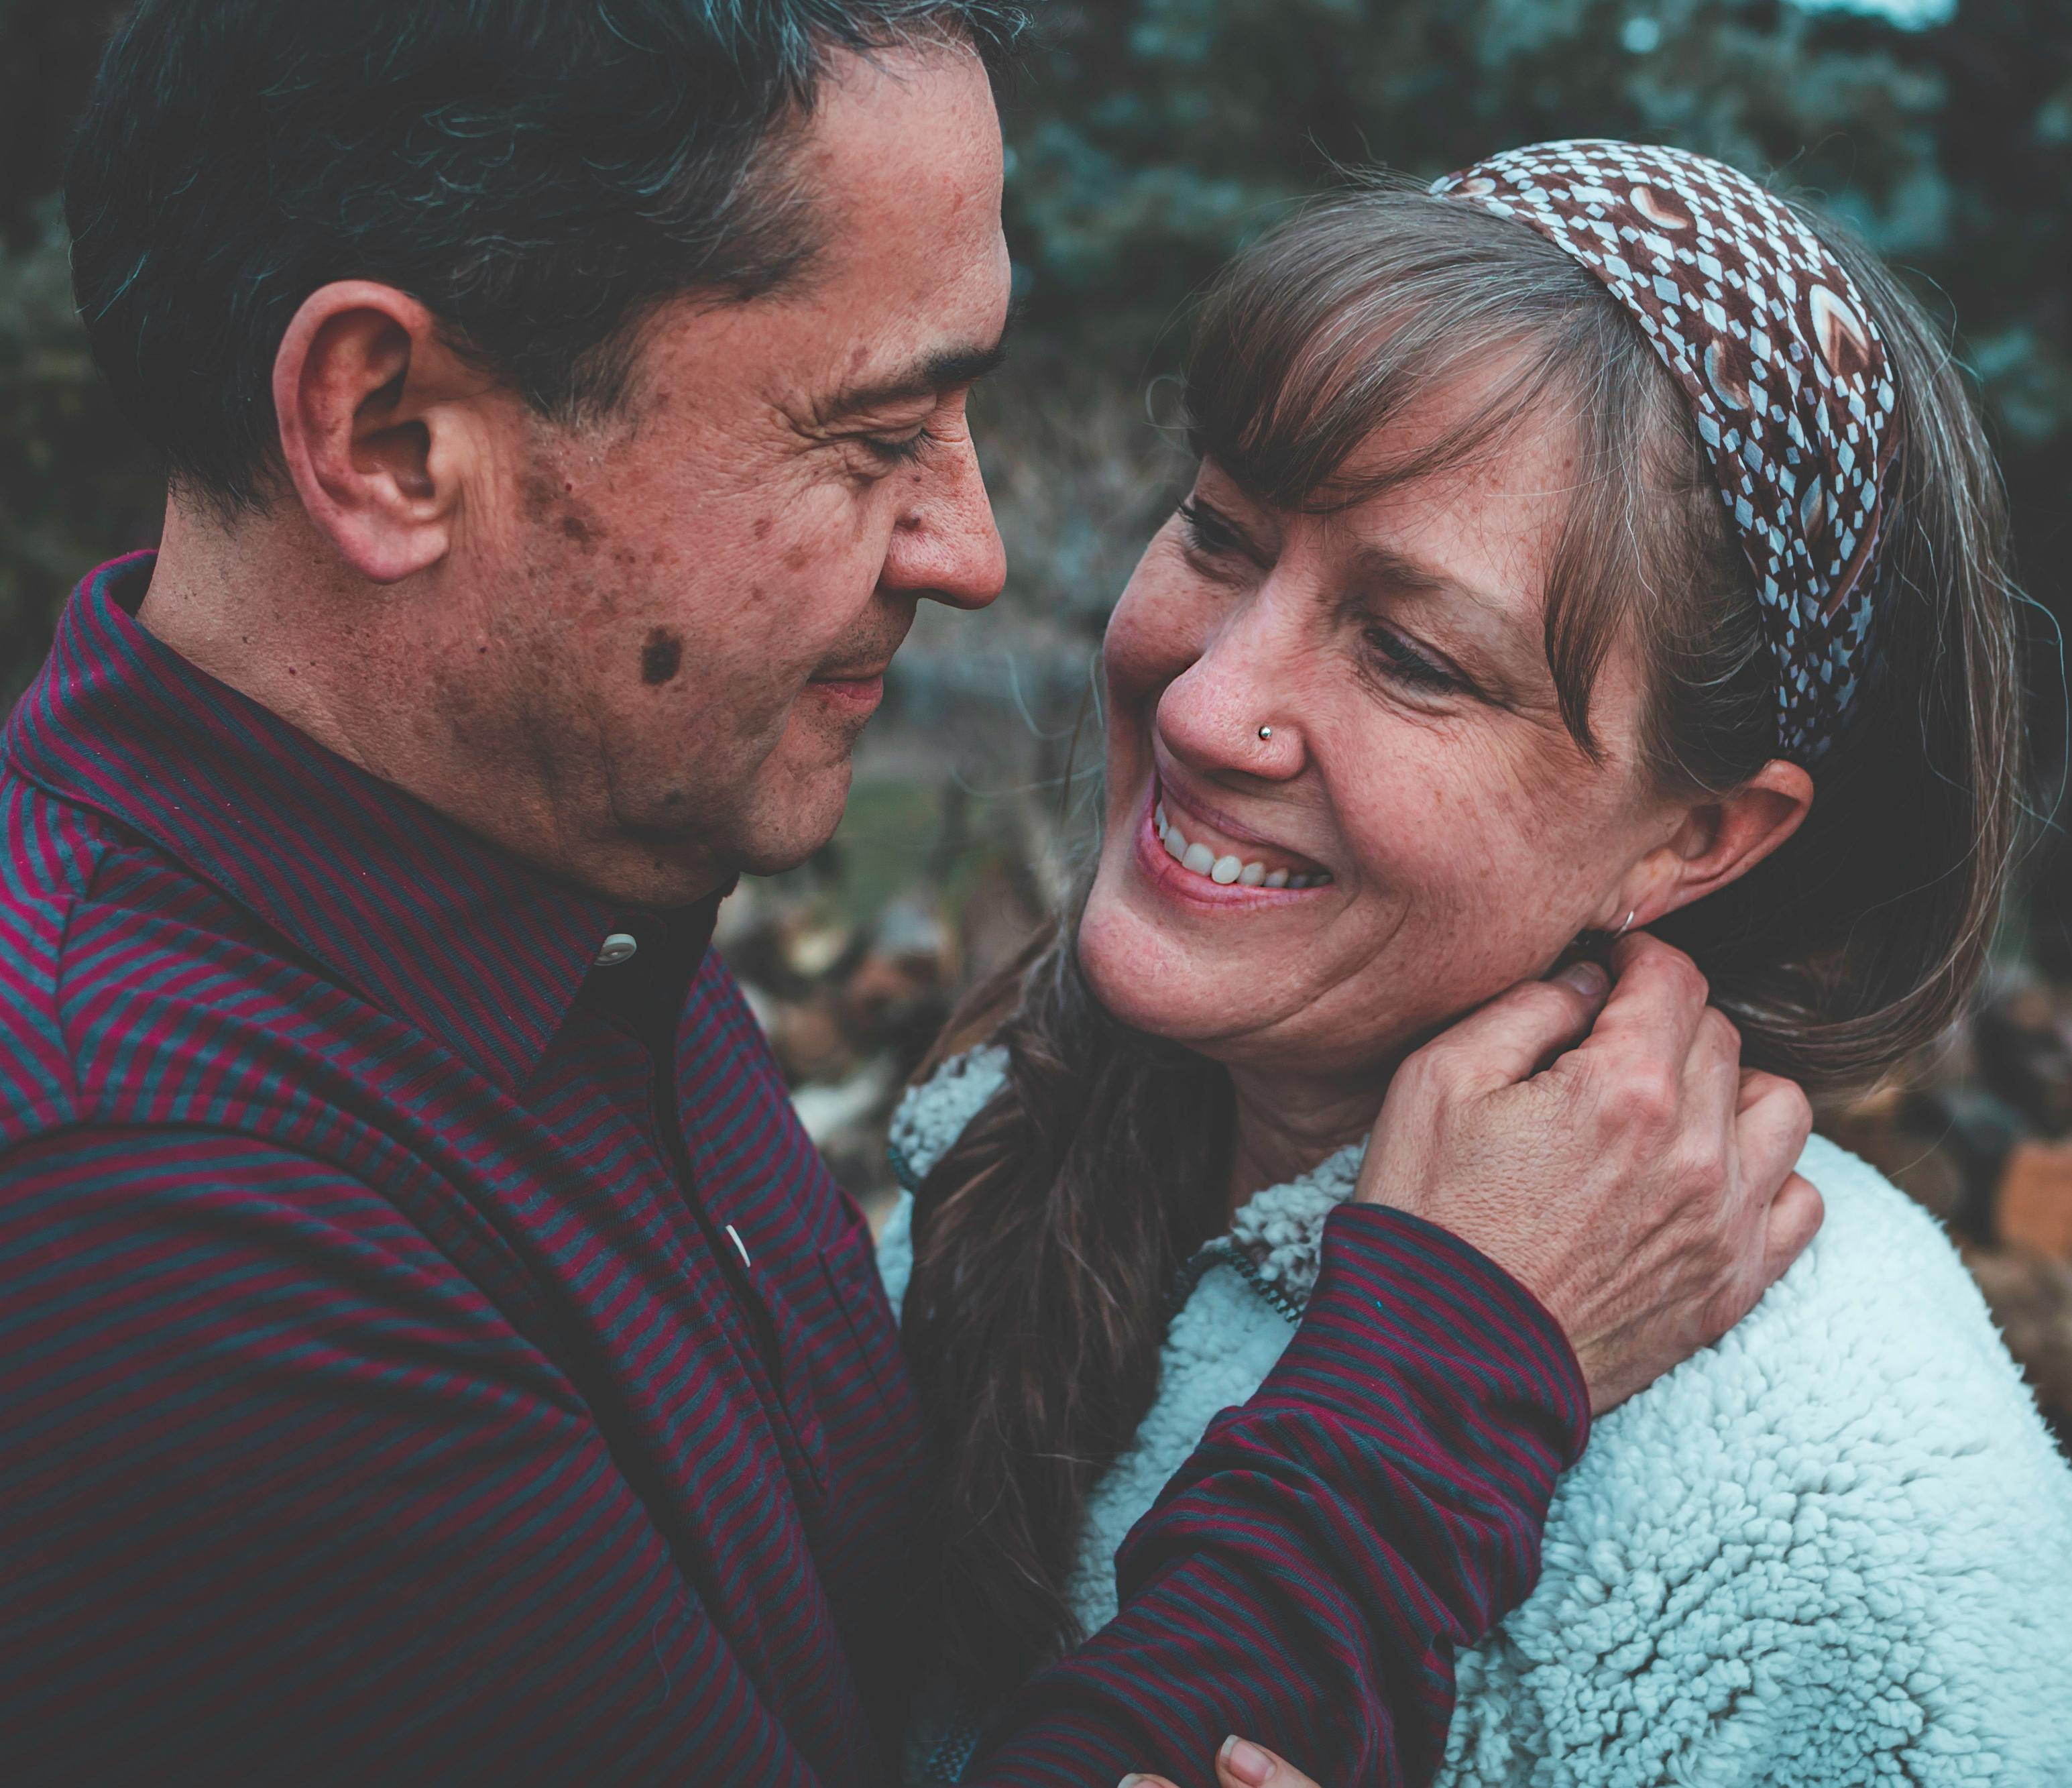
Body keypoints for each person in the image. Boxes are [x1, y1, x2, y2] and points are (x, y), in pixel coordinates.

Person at [0, 5, 1815, 1779]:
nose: (974, 545)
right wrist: (1441, 1382)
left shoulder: (565, 865)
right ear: (392, 434)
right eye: (876, 436)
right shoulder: (159, 1233)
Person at [882, 144, 2072, 1785]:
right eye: (1220, 534)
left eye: (1413, 654)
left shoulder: (1842, 1480)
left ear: (1698, 835)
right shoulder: (983, 1156)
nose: (1208, 703)